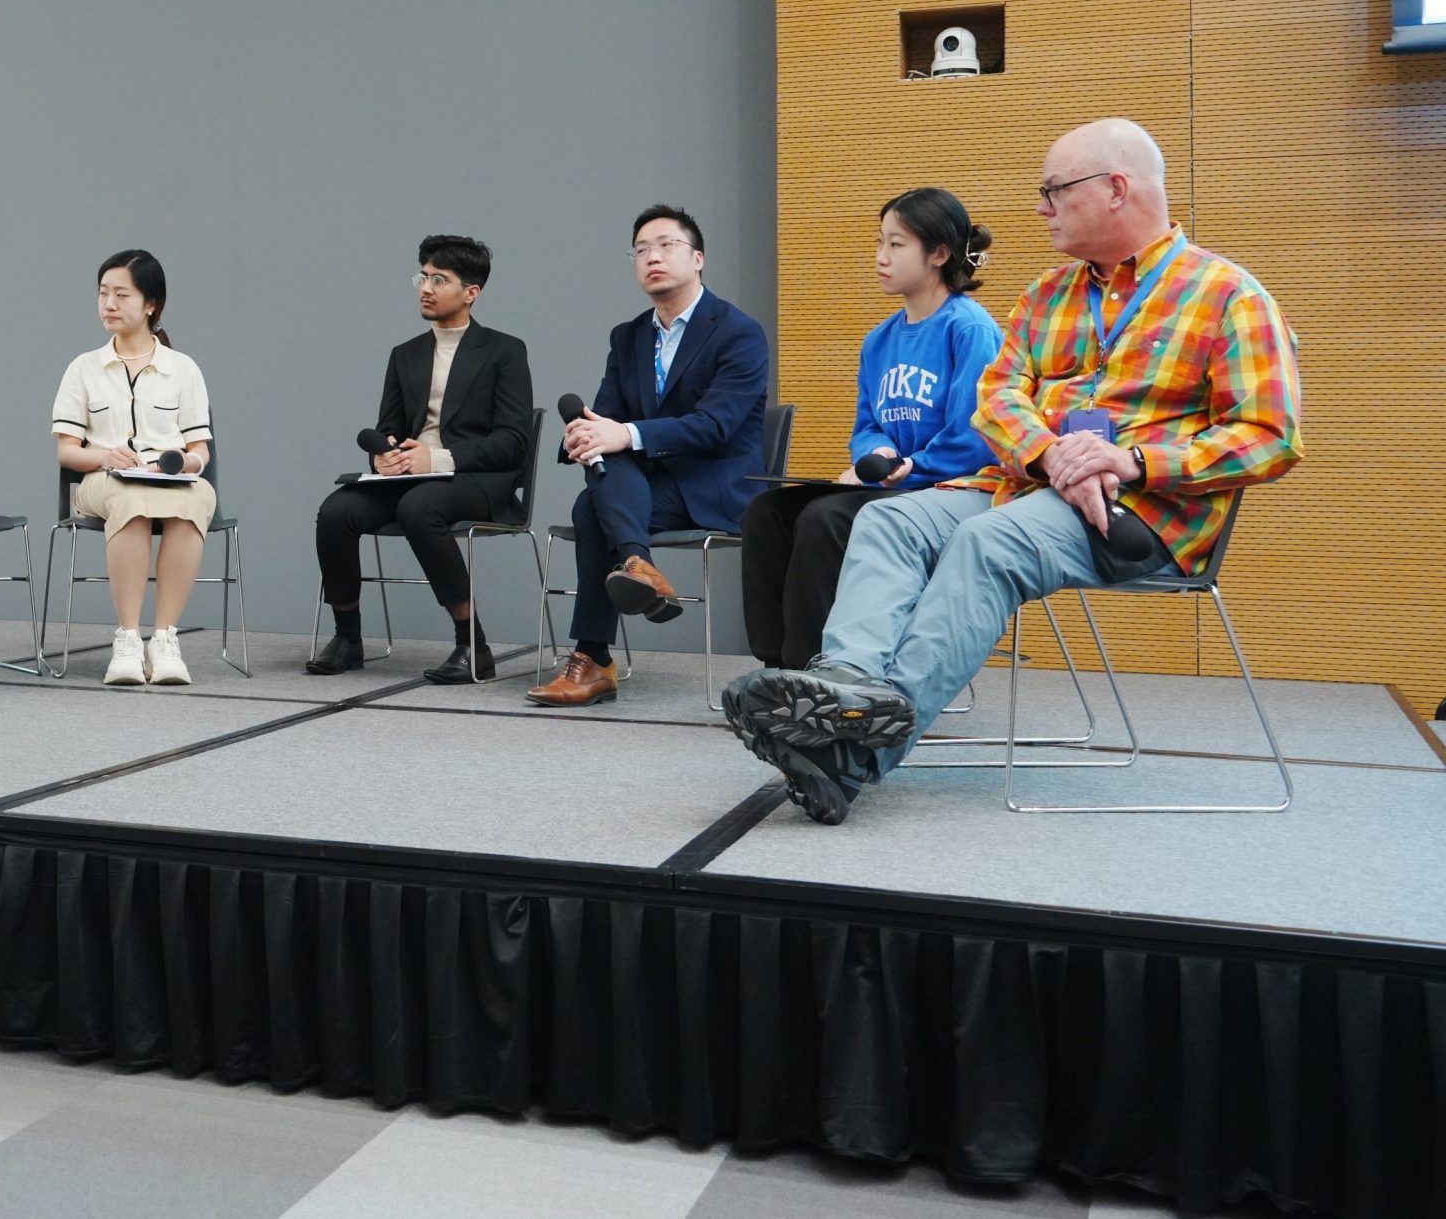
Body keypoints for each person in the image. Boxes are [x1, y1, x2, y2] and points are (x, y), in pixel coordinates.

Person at [722, 119, 1302, 824]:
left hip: (1139, 515)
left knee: (985, 544)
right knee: (889, 518)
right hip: (1021, 486)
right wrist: (1054, 453)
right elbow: (996, 398)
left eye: (1054, 189)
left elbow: (1270, 436)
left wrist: (1134, 459)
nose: (1040, 206)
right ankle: (843, 684)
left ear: (1116, 188)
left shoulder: (1228, 295)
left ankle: (854, 751)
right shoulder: (1046, 295)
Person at [737, 188, 1003, 670]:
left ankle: (819, 673)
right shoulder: (878, 340)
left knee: (826, 520)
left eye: (897, 245)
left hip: (954, 489)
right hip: (894, 486)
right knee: (767, 513)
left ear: (939, 254)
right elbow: (867, 427)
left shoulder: (969, 329)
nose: (881, 258)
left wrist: (909, 465)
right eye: (880, 243)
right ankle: (777, 668)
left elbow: (977, 435)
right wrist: (875, 452)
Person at [527, 205, 768, 707]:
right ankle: (639, 566)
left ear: (698, 258)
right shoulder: (629, 335)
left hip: (713, 486)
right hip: (645, 487)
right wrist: (583, 436)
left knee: (589, 506)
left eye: (665, 245)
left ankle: (594, 658)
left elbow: (716, 425)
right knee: (603, 470)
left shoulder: (738, 332)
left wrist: (624, 435)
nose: (652, 257)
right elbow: (606, 416)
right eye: (641, 250)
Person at [308, 235, 534, 683]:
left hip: (477, 481)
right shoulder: (404, 354)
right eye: (423, 276)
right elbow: (386, 429)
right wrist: (384, 460)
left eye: (439, 279)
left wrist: (439, 458)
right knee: (336, 511)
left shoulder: (504, 351)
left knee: (419, 507)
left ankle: (473, 644)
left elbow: (513, 442)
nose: (425, 288)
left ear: (471, 292)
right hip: (413, 480)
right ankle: (348, 638)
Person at [52, 250, 218, 687]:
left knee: (196, 497)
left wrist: (185, 461)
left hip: (170, 481)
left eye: (121, 294)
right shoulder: (82, 368)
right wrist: (104, 456)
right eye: (103, 293)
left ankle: (164, 639)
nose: (108, 303)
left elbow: (201, 450)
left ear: (151, 305)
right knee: (130, 500)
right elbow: (67, 452)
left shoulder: (184, 369)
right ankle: (127, 638)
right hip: (101, 482)